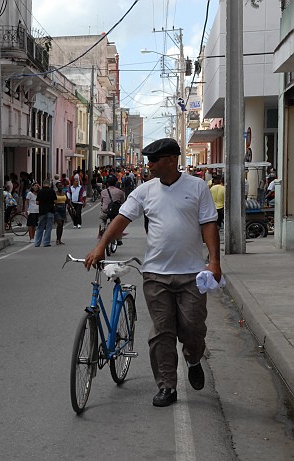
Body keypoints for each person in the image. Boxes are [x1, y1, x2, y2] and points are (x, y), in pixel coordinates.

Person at [84, 138, 221, 408]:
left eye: (154, 161)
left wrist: (214, 262)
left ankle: (193, 359)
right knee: (162, 332)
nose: (150, 166)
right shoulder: (145, 191)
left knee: (193, 328)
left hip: (192, 274)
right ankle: (167, 386)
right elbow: (121, 219)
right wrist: (100, 246)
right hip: (156, 275)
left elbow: (208, 224)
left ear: (171, 160)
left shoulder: (196, 188)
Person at [99, 174, 125, 243]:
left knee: (102, 218)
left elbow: (101, 202)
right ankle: (119, 239)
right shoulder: (120, 192)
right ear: (115, 183)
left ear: (107, 183)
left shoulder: (103, 192)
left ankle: (102, 228)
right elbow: (122, 201)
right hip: (116, 212)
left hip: (106, 211)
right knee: (119, 223)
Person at [34, 181, 57, 247]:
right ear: (49, 185)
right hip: (50, 210)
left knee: (40, 227)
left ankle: (37, 243)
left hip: (42, 211)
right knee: (48, 227)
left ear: (43, 184)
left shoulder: (40, 192)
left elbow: (37, 202)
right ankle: (46, 242)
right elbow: (55, 201)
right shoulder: (52, 191)